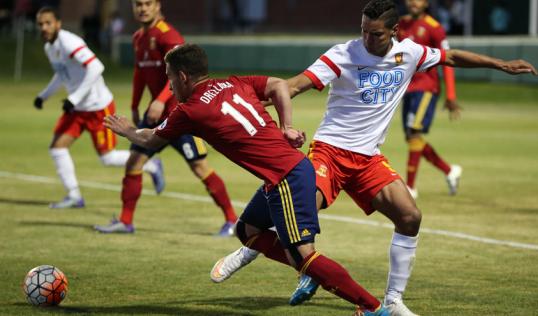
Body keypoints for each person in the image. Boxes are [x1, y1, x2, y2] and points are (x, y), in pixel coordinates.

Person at [209, 0, 538, 315]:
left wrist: (502, 65)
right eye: (364, 30)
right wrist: (259, 107)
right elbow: (293, 85)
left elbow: (450, 57)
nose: (367, 38)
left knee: (410, 217)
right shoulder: (343, 54)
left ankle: (393, 300)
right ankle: (249, 248)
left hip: (368, 159)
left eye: (376, 33)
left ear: (395, 31)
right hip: (329, 153)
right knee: (296, 214)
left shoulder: (410, 52)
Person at [104, 43, 390, 316]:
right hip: (287, 173)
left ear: (182, 76)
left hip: (286, 178)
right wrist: (285, 127)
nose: (169, 87)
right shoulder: (233, 83)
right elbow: (279, 85)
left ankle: (371, 306)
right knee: (247, 230)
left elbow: (152, 139)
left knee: (304, 255)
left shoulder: (190, 110)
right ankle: (309, 271)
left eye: (170, 79)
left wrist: (129, 131)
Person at [94, 0, 237, 236]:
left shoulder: (168, 36)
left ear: (157, 6)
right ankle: (126, 221)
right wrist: (134, 103)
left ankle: (232, 220)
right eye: (138, 4)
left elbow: (182, 75)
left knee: (200, 168)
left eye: (147, 3)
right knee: (133, 163)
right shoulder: (138, 37)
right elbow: (140, 73)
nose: (142, 8)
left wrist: (161, 99)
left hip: (181, 115)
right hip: (153, 116)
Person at [34, 6, 163, 209]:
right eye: (40, 24)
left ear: (58, 23)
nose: (44, 27)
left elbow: (96, 67)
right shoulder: (50, 48)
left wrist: (74, 98)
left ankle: (150, 164)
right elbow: (62, 73)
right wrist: (43, 96)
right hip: (77, 108)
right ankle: (74, 196)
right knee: (57, 148)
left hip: (97, 106)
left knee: (108, 158)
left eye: (48, 23)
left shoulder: (69, 42)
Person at [397, 0, 462, 199]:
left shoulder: (435, 28)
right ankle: (449, 170)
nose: (413, 2)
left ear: (426, 3)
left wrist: (451, 95)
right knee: (412, 137)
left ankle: (410, 187)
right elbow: (397, 55)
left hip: (426, 88)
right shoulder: (401, 24)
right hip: (407, 89)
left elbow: (448, 61)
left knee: (414, 133)